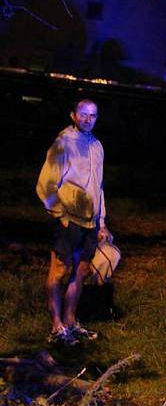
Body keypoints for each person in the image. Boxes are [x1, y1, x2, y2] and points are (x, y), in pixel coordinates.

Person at [36, 99, 112, 345]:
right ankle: (56, 325)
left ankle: (70, 321)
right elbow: (46, 185)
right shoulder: (63, 144)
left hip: (90, 223)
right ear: (73, 115)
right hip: (69, 220)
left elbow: (98, 187)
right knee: (59, 270)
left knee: (80, 272)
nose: (88, 119)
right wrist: (61, 215)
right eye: (84, 114)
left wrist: (101, 221)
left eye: (93, 115)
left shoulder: (97, 146)